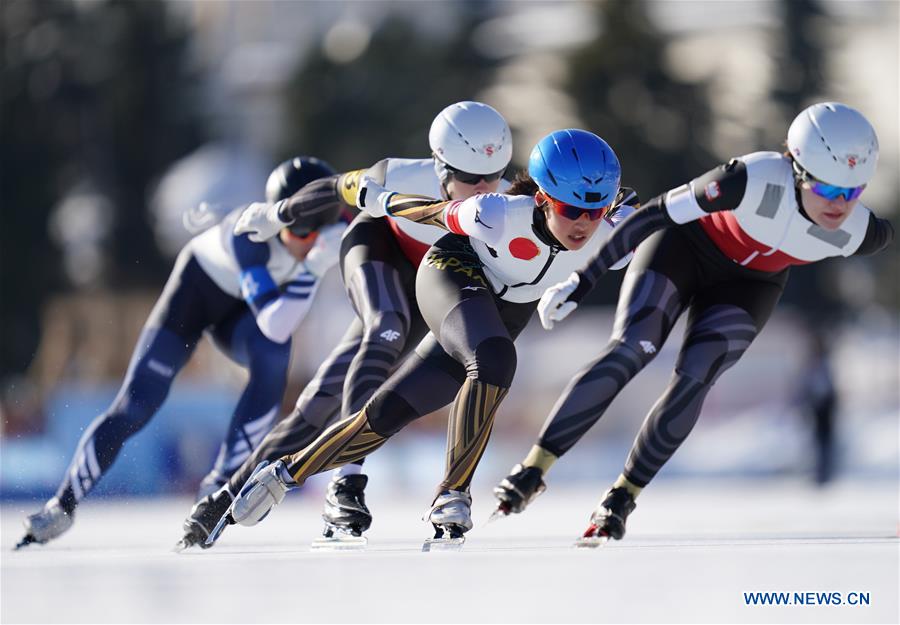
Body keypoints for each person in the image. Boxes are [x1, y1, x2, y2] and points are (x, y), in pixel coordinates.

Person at [204, 128, 639, 548]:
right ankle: (453, 495)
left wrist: (581, 282)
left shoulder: (615, 235)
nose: (583, 224)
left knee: (390, 411)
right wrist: (376, 201)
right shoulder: (495, 212)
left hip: (501, 312)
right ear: (542, 198)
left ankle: (282, 474)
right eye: (571, 210)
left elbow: (673, 233)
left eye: (595, 211)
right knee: (494, 359)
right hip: (451, 274)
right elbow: (427, 211)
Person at [492, 102, 894, 544]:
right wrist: (581, 279)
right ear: (796, 168)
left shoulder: (861, 232)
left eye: (851, 192)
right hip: (683, 250)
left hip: (748, 285)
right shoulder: (749, 179)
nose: (837, 205)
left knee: (696, 377)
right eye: (826, 188)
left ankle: (622, 498)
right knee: (633, 348)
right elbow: (655, 214)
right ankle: (533, 469)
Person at [176, 101, 513, 548]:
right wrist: (279, 215)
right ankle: (345, 486)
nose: (482, 190)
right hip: (378, 249)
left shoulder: (508, 203)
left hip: (431, 284)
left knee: (320, 404)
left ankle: (224, 496)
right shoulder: (397, 175)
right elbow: (333, 188)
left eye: (493, 176)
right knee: (386, 326)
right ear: (439, 165)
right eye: (469, 178)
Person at [17, 157, 345, 549]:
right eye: (302, 234)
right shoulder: (251, 234)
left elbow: (279, 327)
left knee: (273, 362)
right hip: (195, 295)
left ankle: (215, 493)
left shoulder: (332, 232)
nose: (309, 246)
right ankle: (63, 504)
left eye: (319, 236)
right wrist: (312, 269)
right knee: (136, 405)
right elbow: (276, 320)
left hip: (242, 313)